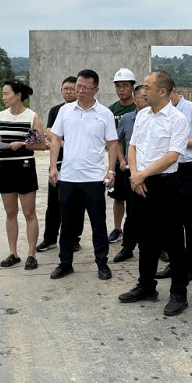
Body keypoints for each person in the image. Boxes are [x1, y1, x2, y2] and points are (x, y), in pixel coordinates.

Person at [118, 70, 191, 316]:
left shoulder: (178, 119)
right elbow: (132, 147)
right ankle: (146, 286)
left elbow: (172, 156)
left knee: (173, 241)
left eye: (147, 87)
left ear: (162, 91)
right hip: (139, 183)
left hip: (165, 185)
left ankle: (179, 292)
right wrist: (135, 175)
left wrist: (143, 175)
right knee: (145, 238)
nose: (143, 91)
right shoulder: (143, 115)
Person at [48, 69, 119, 281]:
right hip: (68, 178)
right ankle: (65, 263)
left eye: (84, 87)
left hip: (94, 179)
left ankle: (102, 263)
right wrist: (53, 167)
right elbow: (55, 139)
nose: (79, 90)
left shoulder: (104, 113)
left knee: (98, 224)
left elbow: (112, 143)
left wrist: (111, 170)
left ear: (95, 90)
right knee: (67, 224)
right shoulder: (65, 111)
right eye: (77, 86)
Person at [156, 84, 192, 280]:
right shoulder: (162, 113)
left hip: (191, 170)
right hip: (171, 170)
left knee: (189, 219)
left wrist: (177, 142)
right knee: (172, 219)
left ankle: (189, 265)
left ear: (173, 90)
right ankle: (175, 264)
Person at [0, 80, 46, 270]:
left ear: (18, 96)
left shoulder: (32, 117)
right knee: (10, 213)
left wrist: (22, 144)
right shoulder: (0, 116)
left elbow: (41, 144)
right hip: (5, 167)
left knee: (29, 213)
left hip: (25, 167)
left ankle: (31, 254)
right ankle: (13, 253)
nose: (3, 97)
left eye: (6, 93)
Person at [37, 77, 83, 253]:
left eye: (72, 88)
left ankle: (74, 239)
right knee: (54, 203)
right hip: (57, 162)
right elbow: (49, 133)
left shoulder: (82, 111)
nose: (69, 92)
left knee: (76, 204)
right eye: (66, 89)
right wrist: (66, 145)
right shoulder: (56, 110)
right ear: (61, 90)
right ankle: (50, 238)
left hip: (77, 165)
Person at [112, 86, 148, 263]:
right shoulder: (127, 119)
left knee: (154, 213)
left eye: (148, 97)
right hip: (132, 172)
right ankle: (128, 247)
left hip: (151, 172)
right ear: (135, 100)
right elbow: (116, 141)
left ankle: (159, 248)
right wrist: (122, 160)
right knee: (132, 212)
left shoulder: (158, 118)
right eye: (143, 97)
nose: (146, 100)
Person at [107, 68, 137, 244]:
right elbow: (111, 139)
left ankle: (136, 230)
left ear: (132, 87)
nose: (121, 89)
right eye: (118, 86)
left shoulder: (139, 107)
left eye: (125, 85)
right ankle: (118, 229)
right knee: (118, 197)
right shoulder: (112, 110)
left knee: (136, 200)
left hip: (138, 163)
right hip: (119, 163)